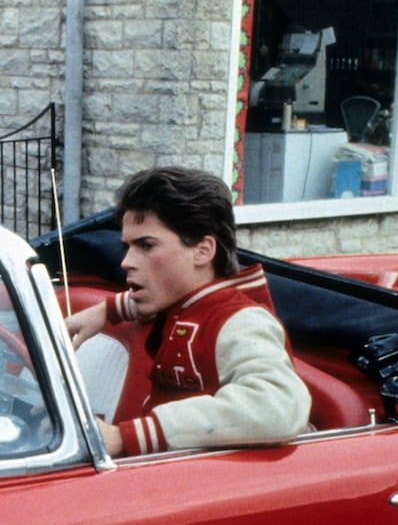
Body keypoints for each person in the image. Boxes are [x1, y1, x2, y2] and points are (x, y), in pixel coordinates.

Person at [65, 166, 310, 457]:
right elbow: (152, 300)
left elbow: (279, 406)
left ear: (203, 251)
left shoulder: (241, 321)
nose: (126, 262)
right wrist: (106, 310)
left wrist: (125, 437)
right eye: (127, 247)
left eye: (146, 245)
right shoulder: (181, 302)